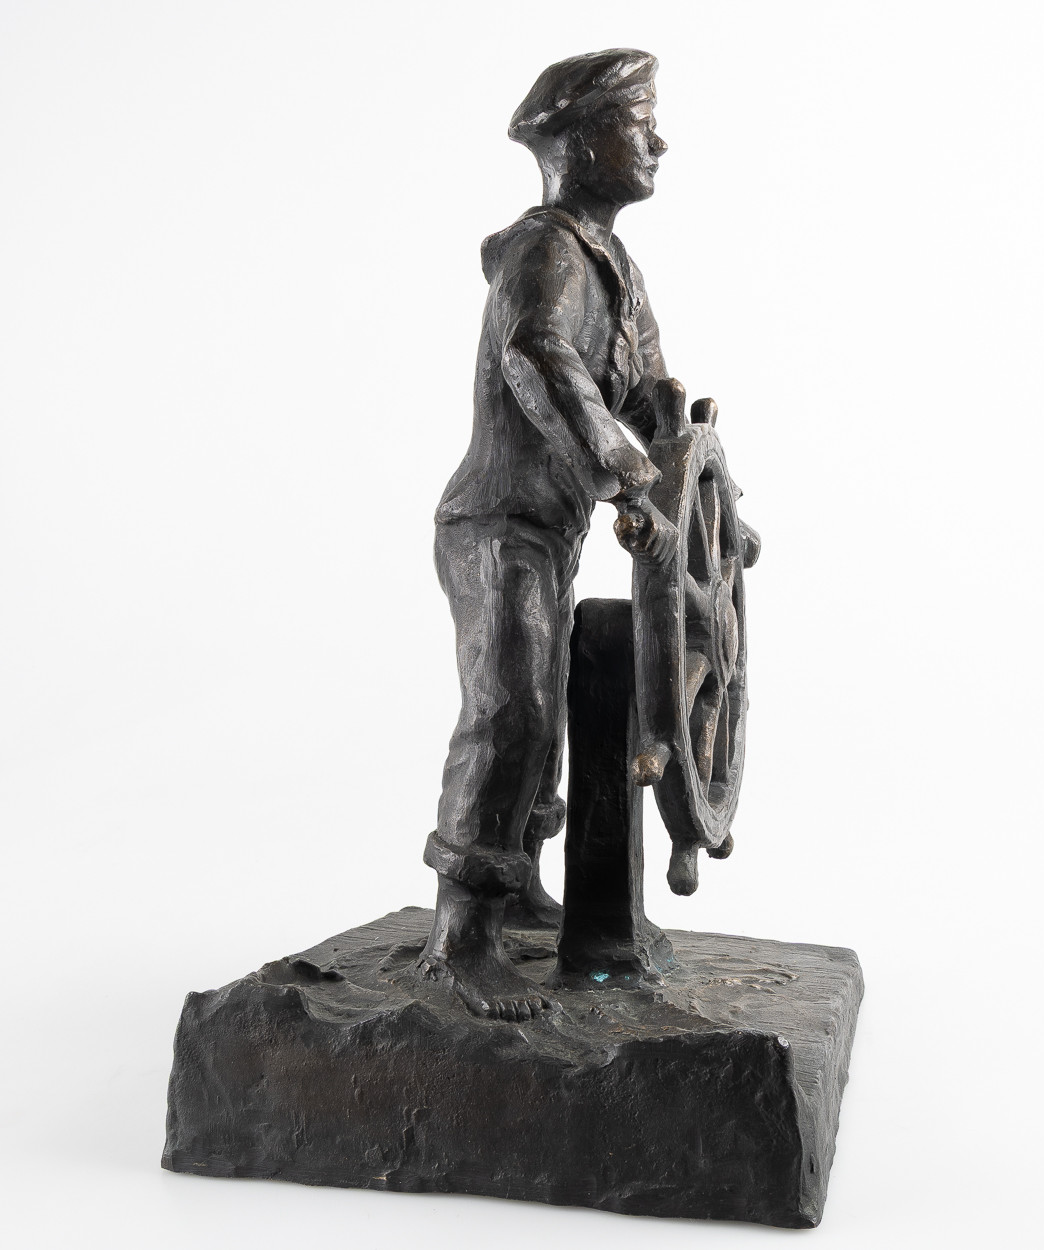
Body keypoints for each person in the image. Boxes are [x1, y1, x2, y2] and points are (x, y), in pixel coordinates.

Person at [418, 49, 682, 1019]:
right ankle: (462, 935)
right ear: (581, 137)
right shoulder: (547, 249)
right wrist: (621, 471)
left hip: (547, 529)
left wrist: (687, 460)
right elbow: (537, 356)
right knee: (512, 709)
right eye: (639, 123)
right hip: (495, 523)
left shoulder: (614, 268)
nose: (658, 141)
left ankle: (520, 878)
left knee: (547, 708)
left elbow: (644, 391)